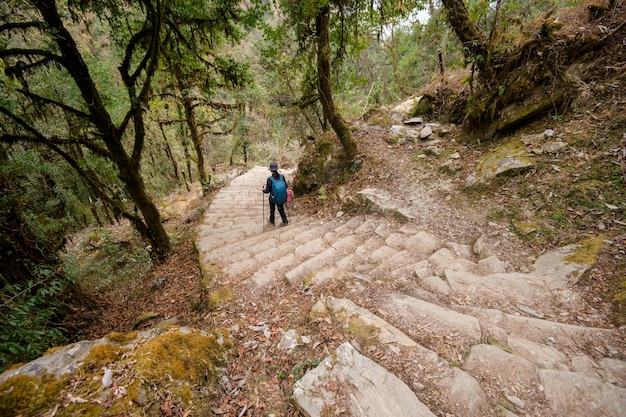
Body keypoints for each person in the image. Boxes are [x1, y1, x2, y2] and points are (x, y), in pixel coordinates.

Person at [262, 162, 289, 226]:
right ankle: (285, 221)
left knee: (272, 209)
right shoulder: (282, 176)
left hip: (273, 197)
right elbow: (286, 186)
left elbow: (267, 191)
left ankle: (272, 222)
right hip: (281, 196)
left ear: (271, 170)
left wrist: (263, 190)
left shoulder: (269, 179)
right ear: (277, 169)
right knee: (281, 209)